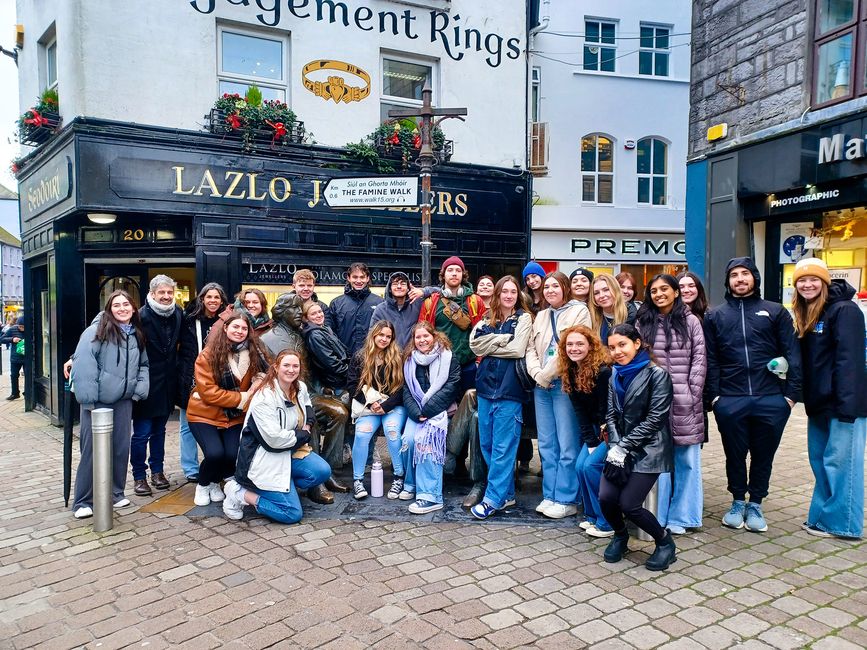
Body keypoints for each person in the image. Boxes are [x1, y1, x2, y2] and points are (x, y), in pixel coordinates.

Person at [705, 257, 802, 533]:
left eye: (745, 273)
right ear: (728, 281)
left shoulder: (775, 312)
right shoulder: (715, 316)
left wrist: (790, 397)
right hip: (730, 399)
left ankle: (756, 503)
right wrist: (715, 398)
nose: (740, 279)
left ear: (754, 278)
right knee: (734, 455)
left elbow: (792, 353)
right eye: (734, 275)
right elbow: (711, 359)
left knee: (763, 454)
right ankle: (737, 501)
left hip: (771, 398)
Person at [792, 258, 866, 539]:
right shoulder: (813, 313)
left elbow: (850, 362)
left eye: (813, 279)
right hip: (820, 405)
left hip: (843, 405)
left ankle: (843, 525)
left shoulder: (845, 311)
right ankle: (822, 518)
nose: (807, 284)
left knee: (841, 464)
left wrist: (847, 407)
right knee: (821, 462)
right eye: (801, 280)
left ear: (824, 282)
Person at [222, 349, 332, 524]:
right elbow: (274, 440)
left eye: (295, 366)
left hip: (288, 452)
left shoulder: (299, 387)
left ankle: (284, 489)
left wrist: (309, 424)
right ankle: (239, 493)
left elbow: (307, 406)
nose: (291, 370)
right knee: (291, 514)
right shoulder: (265, 397)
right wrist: (303, 435)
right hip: (264, 458)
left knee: (322, 471)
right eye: (286, 365)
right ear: (276, 368)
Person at [600, 324, 676, 571]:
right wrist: (615, 447)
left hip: (650, 449)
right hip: (620, 448)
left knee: (630, 504)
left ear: (637, 343)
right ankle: (621, 536)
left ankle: (665, 542)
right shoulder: (615, 374)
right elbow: (611, 415)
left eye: (622, 345)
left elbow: (656, 419)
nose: (617, 352)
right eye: (612, 347)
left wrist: (623, 446)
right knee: (606, 498)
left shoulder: (658, 375)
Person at [635, 274, 706, 535]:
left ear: (676, 292)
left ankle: (684, 516)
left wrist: (691, 393)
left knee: (687, 460)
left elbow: (700, 360)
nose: (659, 294)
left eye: (664, 289)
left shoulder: (691, 321)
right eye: (654, 290)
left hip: (685, 402)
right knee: (658, 462)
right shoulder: (644, 322)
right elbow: (640, 361)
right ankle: (658, 514)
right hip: (654, 403)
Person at [70, 290, 149, 519]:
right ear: (109, 308)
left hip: (124, 401)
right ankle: (83, 501)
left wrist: (137, 392)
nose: (122, 308)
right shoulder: (96, 331)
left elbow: (143, 365)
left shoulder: (135, 334)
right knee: (91, 451)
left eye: (126, 304)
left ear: (133, 308)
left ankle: (115, 492)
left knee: (120, 448)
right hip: (98, 402)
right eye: (117, 305)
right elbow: (84, 364)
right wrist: (89, 401)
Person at [261, 293, 347, 498]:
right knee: (311, 420)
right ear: (281, 313)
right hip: (285, 398)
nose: (300, 313)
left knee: (339, 412)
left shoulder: (303, 334)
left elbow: (312, 369)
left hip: (308, 392)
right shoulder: (268, 339)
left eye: (301, 309)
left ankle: (327, 470)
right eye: (294, 309)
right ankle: (315, 482)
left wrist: (322, 387)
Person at [525, 271, 591, 518]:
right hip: (540, 386)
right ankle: (550, 495)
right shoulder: (541, 315)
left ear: (565, 287)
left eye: (556, 286)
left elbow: (570, 348)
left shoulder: (579, 311)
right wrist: (536, 373)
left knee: (567, 444)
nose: (550, 290)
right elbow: (530, 347)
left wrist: (546, 374)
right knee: (547, 444)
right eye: (548, 286)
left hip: (563, 385)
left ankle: (567, 498)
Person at [186, 312, 269, 507]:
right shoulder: (208, 354)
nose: (239, 331)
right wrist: (243, 398)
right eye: (235, 327)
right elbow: (209, 393)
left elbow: (264, 373)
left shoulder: (254, 352)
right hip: (204, 414)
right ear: (225, 328)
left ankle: (215, 482)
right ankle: (203, 483)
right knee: (215, 453)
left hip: (234, 417)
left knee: (232, 455)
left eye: (244, 328)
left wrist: (258, 381)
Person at [467, 276, 533, 519]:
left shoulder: (524, 318)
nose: (508, 295)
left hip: (509, 391)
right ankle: (506, 495)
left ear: (518, 295)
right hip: (485, 390)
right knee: (487, 445)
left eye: (512, 291)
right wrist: (502, 338)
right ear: (497, 294)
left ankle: (492, 499)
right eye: (504, 291)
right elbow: (475, 345)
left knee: (504, 448)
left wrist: (491, 343)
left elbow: (518, 349)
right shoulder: (486, 319)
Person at [400, 322, 462, 513]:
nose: (422, 340)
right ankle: (411, 483)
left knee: (426, 442)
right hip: (417, 413)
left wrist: (428, 410)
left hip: (440, 412)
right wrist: (416, 412)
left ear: (434, 336)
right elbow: (406, 389)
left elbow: (452, 386)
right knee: (408, 440)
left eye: (425, 336)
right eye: (418, 337)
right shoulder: (410, 360)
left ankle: (430, 496)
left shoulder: (448, 357)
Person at [131, 275, 183, 497]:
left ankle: (158, 472)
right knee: (142, 433)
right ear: (152, 294)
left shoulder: (178, 314)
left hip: (167, 384)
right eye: (161, 292)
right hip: (145, 383)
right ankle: (139, 476)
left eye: (169, 292)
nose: (166, 296)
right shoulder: (139, 317)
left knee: (159, 432)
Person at [558, 325, 613, 537]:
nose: (574, 348)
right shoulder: (570, 371)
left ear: (591, 346)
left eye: (580, 343)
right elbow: (579, 411)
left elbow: (607, 410)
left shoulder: (603, 371)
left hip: (611, 430)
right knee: (580, 466)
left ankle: (607, 522)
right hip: (593, 430)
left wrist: (599, 440)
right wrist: (590, 442)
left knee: (591, 466)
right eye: (569, 344)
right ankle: (592, 516)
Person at [348, 321, 407, 500]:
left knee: (392, 431)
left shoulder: (399, 356)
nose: (384, 339)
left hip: (393, 406)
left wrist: (386, 405)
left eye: (388, 336)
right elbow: (352, 385)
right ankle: (357, 480)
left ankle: (399, 476)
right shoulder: (360, 356)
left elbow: (404, 388)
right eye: (381, 335)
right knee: (362, 433)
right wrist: (372, 403)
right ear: (374, 334)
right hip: (369, 407)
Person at [178, 282, 230, 482]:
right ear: (202, 299)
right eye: (209, 297)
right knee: (187, 426)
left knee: (218, 424)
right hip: (190, 379)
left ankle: (216, 466)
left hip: (218, 380)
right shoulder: (189, 320)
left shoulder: (227, 321)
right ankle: (191, 469)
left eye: (217, 297)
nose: (213, 301)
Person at [418, 256, 487, 395]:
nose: (454, 273)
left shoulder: (475, 301)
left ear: (463, 275)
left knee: (468, 407)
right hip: (439, 364)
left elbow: (484, 334)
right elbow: (422, 333)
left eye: (458, 270)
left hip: (469, 365)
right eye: (450, 270)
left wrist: (479, 361)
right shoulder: (430, 302)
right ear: (443, 275)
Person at [329, 262, 384, 358]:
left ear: (367, 278)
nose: (358, 280)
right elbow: (331, 335)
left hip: (372, 358)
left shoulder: (380, 303)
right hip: (345, 359)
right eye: (355, 277)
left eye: (362, 277)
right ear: (348, 278)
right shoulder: (336, 304)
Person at [370, 271, 437, 348]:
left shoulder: (418, 304)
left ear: (408, 288)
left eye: (403, 284)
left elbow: (442, 291)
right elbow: (372, 335)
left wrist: (423, 291)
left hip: (412, 357)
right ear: (389, 288)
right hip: (389, 357)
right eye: (395, 284)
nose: (399, 286)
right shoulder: (381, 309)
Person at [302, 301, 349, 395]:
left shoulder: (325, 328)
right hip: (337, 383)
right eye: (313, 314)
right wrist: (351, 374)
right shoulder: (314, 335)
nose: (319, 315)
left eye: (320, 311)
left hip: (343, 379)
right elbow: (331, 363)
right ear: (306, 318)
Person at [589, 273, 637, 342]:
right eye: (596, 293)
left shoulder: (631, 314)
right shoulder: (591, 316)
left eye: (606, 290)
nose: (601, 295)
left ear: (616, 289)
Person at [1, 315, 25, 400]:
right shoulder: (12, 329)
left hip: (27, 358)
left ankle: (27, 393)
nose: (21, 328)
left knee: (29, 376)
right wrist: (12, 339)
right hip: (15, 358)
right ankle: (15, 393)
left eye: (23, 327)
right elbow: (2, 339)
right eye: (20, 326)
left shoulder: (30, 329)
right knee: (14, 375)